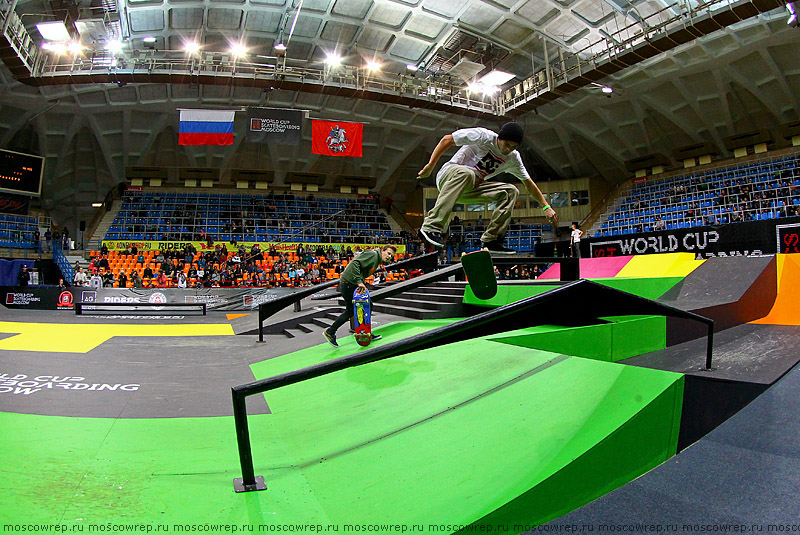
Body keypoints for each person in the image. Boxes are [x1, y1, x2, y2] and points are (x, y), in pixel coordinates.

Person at [417, 122, 557, 254]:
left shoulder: (513, 158)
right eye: (506, 144)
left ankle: (491, 239)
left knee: (510, 192)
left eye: (513, 147)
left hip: (469, 190)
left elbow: (529, 184)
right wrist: (430, 166)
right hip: (449, 177)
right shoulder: (483, 136)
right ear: (500, 138)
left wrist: (546, 207)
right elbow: (447, 140)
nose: (508, 150)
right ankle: (431, 226)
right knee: (467, 173)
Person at [323, 245, 396, 348]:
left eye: (391, 256)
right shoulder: (373, 254)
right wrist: (359, 281)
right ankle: (331, 332)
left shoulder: (376, 258)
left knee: (364, 306)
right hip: (349, 284)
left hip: (350, 283)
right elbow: (355, 264)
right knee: (354, 309)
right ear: (382, 250)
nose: (389, 257)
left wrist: (361, 280)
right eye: (388, 253)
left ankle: (363, 331)